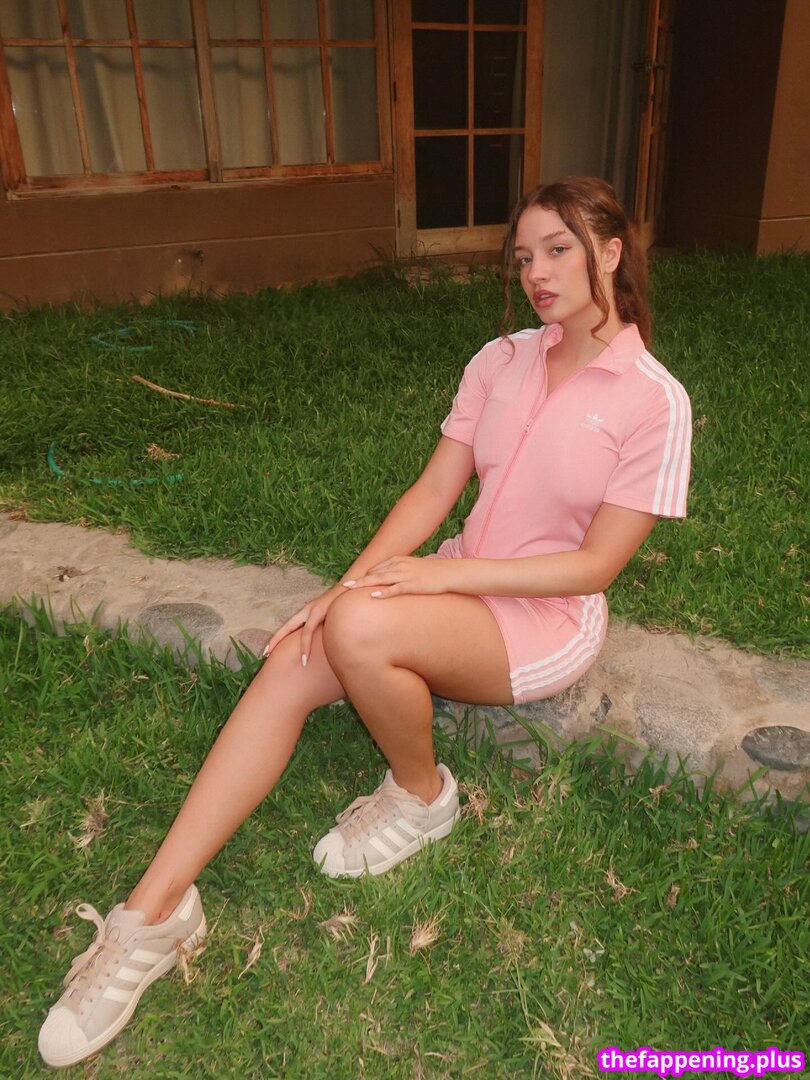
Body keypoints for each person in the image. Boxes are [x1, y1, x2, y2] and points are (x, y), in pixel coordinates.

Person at [38, 176, 691, 1067]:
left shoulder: (654, 399)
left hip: (543, 619)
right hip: (456, 584)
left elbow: (596, 566)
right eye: (523, 256)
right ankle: (153, 914)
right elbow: (434, 489)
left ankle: (421, 796)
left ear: (610, 252)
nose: (536, 272)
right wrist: (346, 585)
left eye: (558, 249)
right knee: (301, 649)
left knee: (356, 632)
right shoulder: (500, 360)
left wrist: (425, 583)